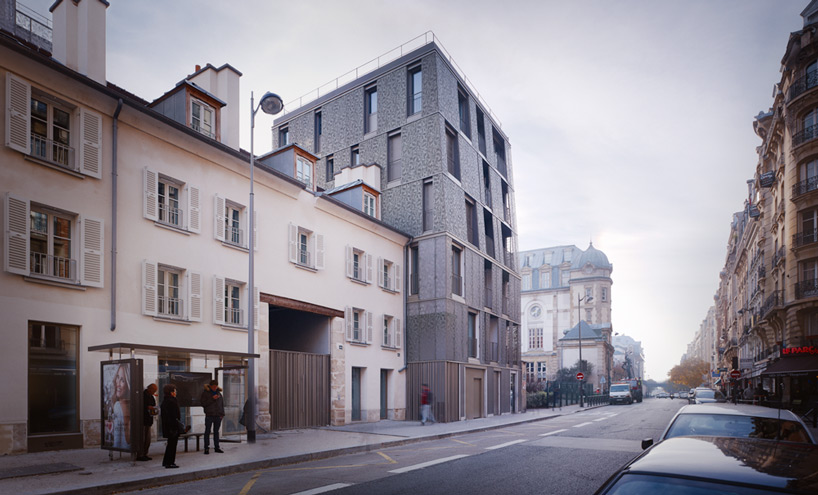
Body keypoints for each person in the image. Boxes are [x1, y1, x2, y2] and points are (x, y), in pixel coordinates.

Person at [161, 384, 187, 468]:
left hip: (168, 426)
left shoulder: (165, 401)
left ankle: (166, 461)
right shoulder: (172, 401)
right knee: (172, 445)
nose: (176, 393)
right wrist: (176, 426)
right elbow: (174, 416)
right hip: (172, 427)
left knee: (170, 445)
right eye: (175, 391)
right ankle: (170, 462)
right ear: (171, 392)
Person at [200, 380, 225, 454]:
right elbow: (203, 403)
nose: (215, 388)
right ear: (210, 386)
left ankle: (217, 447)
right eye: (213, 386)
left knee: (216, 432)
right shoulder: (205, 393)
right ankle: (206, 448)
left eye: (216, 386)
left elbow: (222, 404)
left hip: (218, 415)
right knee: (207, 431)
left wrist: (222, 414)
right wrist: (212, 399)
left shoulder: (219, 393)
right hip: (209, 415)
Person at [111, 364, 131, 450]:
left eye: (122, 380)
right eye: (118, 377)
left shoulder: (119, 406)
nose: (118, 383)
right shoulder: (118, 406)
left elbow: (117, 441)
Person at [136, 383, 158, 461]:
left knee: (147, 439)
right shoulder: (143, 396)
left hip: (149, 420)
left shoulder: (151, 397)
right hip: (142, 419)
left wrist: (154, 409)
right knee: (142, 438)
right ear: (150, 389)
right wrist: (147, 407)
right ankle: (140, 454)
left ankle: (145, 453)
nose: (154, 392)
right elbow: (141, 406)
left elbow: (153, 405)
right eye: (154, 390)